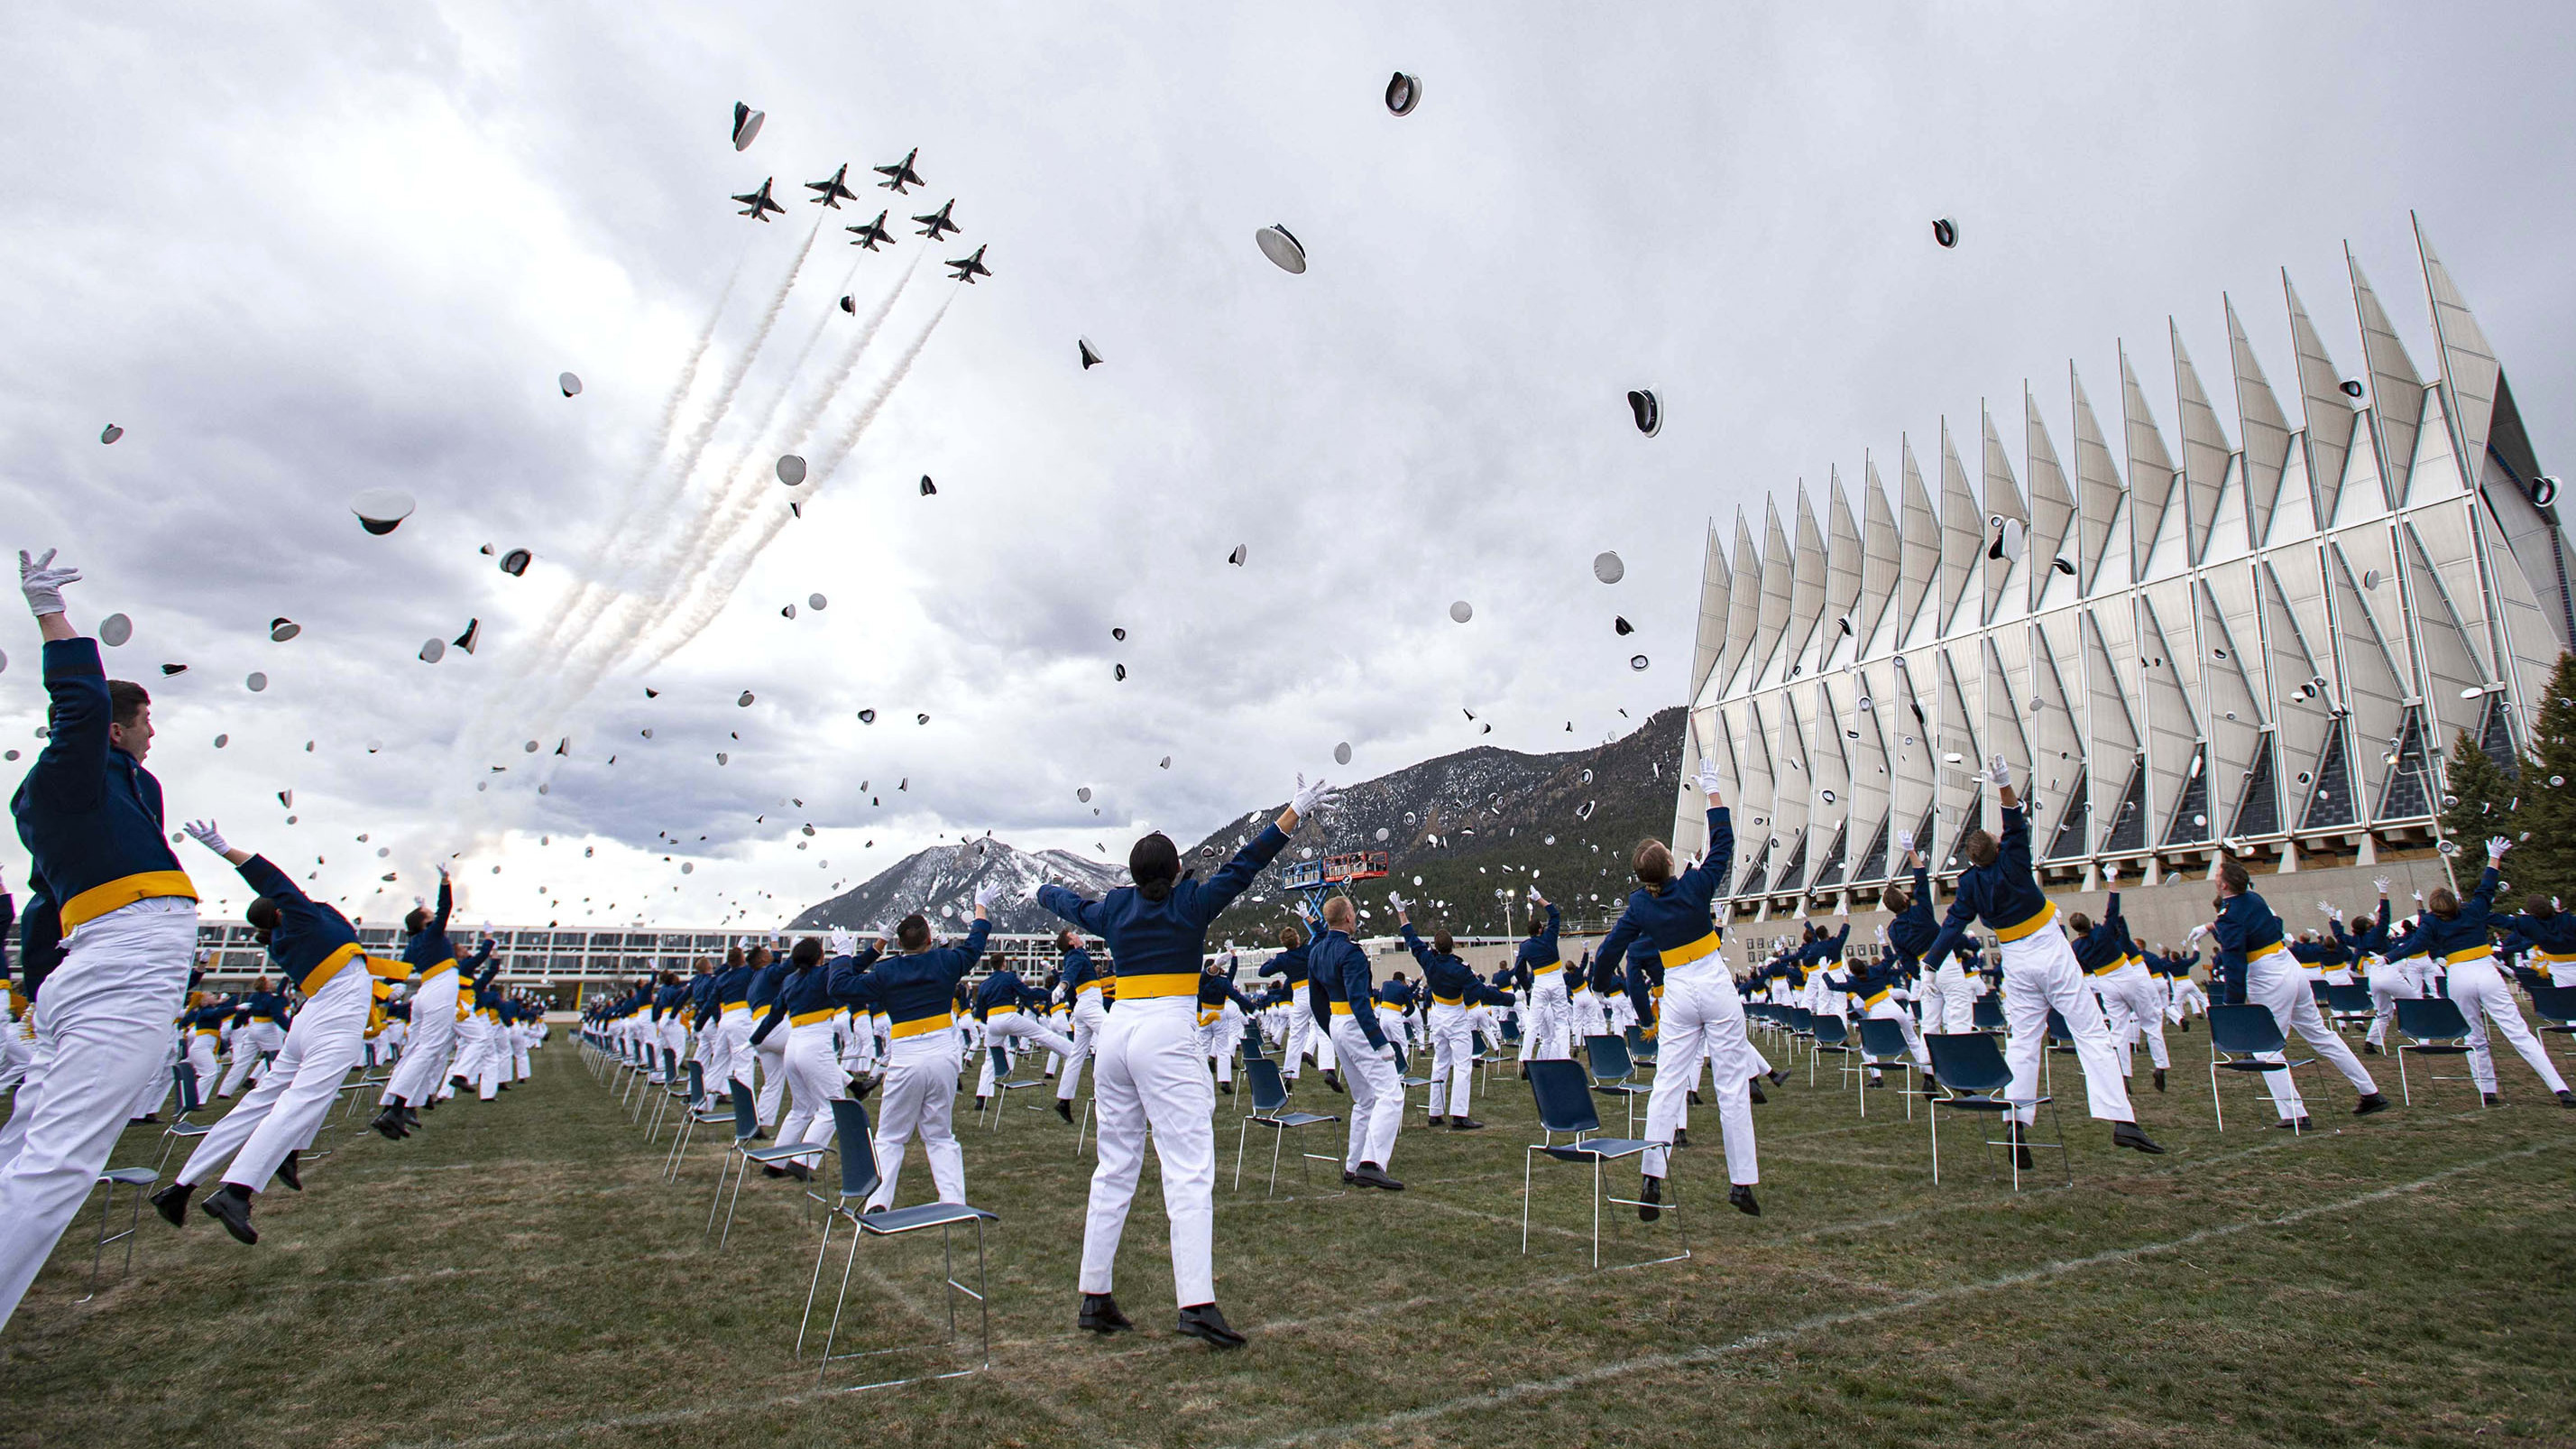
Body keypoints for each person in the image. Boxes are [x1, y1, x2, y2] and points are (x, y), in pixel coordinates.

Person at [1038, 775, 1329, 1349]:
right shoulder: (1191, 901)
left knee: (1114, 1166)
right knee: (1189, 1168)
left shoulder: (1116, 906)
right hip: (1168, 1031)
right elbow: (1246, 864)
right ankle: (1195, 1304)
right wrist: (1293, 812)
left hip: (1118, 1034)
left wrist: (1044, 892)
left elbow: (1072, 905)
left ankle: (1094, 1295)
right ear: (1174, 871)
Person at [0, 549, 204, 1332]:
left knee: (27, 1149)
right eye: (145, 719)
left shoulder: (117, 788)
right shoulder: (65, 779)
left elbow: (40, 914)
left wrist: (41, 996)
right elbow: (81, 708)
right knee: (59, 1166)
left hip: (92, 968)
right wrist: (50, 613)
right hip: (123, 960)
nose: (154, 731)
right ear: (116, 728)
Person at [150, 820, 400, 1241]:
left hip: (311, 1019)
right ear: (281, 910)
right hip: (335, 1020)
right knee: (302, 1101)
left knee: (258, 1104)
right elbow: (275, 879)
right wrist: (225, 848)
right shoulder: (303, 921)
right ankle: (237, 1190)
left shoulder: (286, 937)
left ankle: (180, 1187)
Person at [1919, 755, 2165, 1162]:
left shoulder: (1969, 886)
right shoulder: (2012, 860)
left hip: (2016, 960)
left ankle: (2016, 1123)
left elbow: (1952, 925)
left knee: (2024, 1043)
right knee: (2089, 1031)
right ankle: (2122, 1120)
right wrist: (2003, 785)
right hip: (2048, 949)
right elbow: (2015, 822)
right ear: (1997, 849)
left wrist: (1930, 964)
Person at [1594, 759, 1761, 1220]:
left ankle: (1652, 1177)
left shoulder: (1639, 908)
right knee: (1730, 1086)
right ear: (1671, 864)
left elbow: (1611, 950)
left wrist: (1599, 984)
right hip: (1712, 978)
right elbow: (1724, 846)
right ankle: (1742, 1183)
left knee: (1666, 1084)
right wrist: (1712, 791)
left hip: (1679, 991)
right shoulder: (1694, 887)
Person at [2192, 856, 2387, 1129]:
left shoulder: (2230, 914)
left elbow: (2235, 961)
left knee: (2266, 1048)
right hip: (2288, 967)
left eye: (2217, 876)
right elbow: (2266, 922)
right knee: (2320, 1035)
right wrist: (2213, 926)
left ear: (2224, 886)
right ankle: (2370, 1092)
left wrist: (2231, 1005)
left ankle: (2294, 1114)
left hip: (2269, 977)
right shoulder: (2254, 899)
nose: (2215, 878)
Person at [2381, 839, 2572, 1108]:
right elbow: (2487, 886)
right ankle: (2560, 1089)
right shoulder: (2474, 910)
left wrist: (2388, 957)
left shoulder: (2432, 921)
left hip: (2459, 977)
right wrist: (2493, 857)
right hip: (2485, 972)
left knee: (2474, 1035)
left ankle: (2487, 1091)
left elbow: (2415, 945)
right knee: (2518, 1033)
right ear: (2456, 903)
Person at [853, 893, 998, 1210]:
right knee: (940, 1135)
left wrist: (871, 947)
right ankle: (953, 1201)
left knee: (891, 1136)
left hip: (905, 1054)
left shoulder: (886, 972)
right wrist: (980, 908)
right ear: (930, 939)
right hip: (943, 1053)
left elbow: (838, 985)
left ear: (899, 945)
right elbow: (975, 943)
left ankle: (878, 1203)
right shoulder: (946, 961)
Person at [1312, 893, 1403, 1191]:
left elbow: (1317, 1002)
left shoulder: (1315, 951)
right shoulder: (1351, 953)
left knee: (1364, 1098)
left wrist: (1332, 1031)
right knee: (1390, 1093)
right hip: (1355, 1023)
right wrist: (1380, 1042)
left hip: (1338, 1023)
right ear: (1348, 918)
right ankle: (1371, 1163)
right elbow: (1359, 1001)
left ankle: (1353, 1165)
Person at [1395, 906, 1504, 1130]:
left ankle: (1435, 1112)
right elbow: (1481, 992)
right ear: (1453, 946)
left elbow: (1412, 939)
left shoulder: (1429, 961)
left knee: (1440, 1062)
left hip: (1438, 1016)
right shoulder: (1460, 968)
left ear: (1434, 946)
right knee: (1463, 1064)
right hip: (1455, 1015)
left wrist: (1401, 912)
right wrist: (1510, 1000)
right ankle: (1459, 1114)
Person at [373, 869, 462, 1136]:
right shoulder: (433, 934)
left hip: (424, 993)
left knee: (414, 1050)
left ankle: (396, 1106)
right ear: (425, 924)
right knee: (429, 1049)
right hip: (441, 989)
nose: (436, 918)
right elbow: (445, 908)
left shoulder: (413, 944)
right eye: (430, 917)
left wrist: (379, 993)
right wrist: (445, 883)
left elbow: (395, 974)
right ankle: (397, 1110)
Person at [2070, 873, 2167, 1093]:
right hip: (2127, 976)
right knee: (2150, 1021)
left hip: (2106, 984)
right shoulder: (2103, 933)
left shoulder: (2076, 947)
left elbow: (2079, 966)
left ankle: (2123, 1074)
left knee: (2119, 1030)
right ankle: (2160, 1065)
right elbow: (2112, 907)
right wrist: (2112, 879)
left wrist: (2058, 925)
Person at [971, 953, 1075, 1107]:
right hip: (1008, 1016)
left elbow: (980, 1012)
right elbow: (1027, 993)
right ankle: (1073, 1052)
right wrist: (1049, 995)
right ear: (1004, 964)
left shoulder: (984, 984)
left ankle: (981, 1097)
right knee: (1041, 1034)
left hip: (992, 1022)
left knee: (990, 1058)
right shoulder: (1009, 977)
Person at [1258, 921, 1336, 1091]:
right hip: (1315, 991)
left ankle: (1289, 1074)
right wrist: (1308, 918)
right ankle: (1329, 1069)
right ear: (1298, 939)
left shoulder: (1282, 958)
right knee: (1323, 1030)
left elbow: (1262, 973)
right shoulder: (1308, 950)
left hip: (1299, 995)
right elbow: (1323, 934)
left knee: (1295, 1035)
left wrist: (1270, 960)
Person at [1052, 928, 1108, 1118]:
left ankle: (1064, 1100)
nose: (1078, 935)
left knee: (1076, 1055)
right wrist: (1062, 986)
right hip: (1090, 1005)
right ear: (1070, 943)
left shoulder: (1078, 953)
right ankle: (1106, 1090)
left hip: (1084, 1006)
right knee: (1116, 1033)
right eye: (1073, 935)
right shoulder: (1075, 955)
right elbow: (1070, 972)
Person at [1514, 894, 1570, 1068]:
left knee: (1533, 1023)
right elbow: (1555, 915)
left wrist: (1527, 987)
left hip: (1540, 982)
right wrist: (1540, 899)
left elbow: (1518, 970)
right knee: (1561, 1021)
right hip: (1556, 980)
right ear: (1540, 929)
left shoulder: (1525, 946)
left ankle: (1525, 1059)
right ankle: (1564, 1059)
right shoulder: (1550, 936)